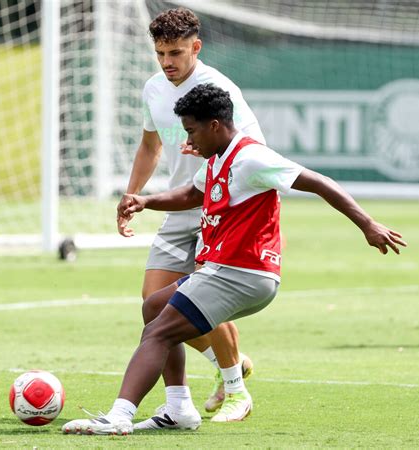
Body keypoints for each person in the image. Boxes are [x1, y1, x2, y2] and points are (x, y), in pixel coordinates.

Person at [63, 84, 406, 435]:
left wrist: (367, 224)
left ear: (215, 125)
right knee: (153, 307)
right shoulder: (217, 158)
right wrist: (147, 201)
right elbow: (193, 193)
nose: (189, 141)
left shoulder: (252, 158)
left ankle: (119, 417)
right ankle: (179, 410)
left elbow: (319, 181)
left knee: (158, 333)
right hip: (224, 270)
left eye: (192, 131)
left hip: (242, 273)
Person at [117, 7, 265, 421]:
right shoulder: (153, 88)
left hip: (217, 210)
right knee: (154, 302)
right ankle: (214, 378)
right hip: (179, 206)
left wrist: (214, 156)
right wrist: (133, 195)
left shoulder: (219, 90)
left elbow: (250, 148)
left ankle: (236, 390)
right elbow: (150, 147)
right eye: (161, 53)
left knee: (197, 298)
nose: (167, 62)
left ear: (196, 48)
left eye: (176, 53)